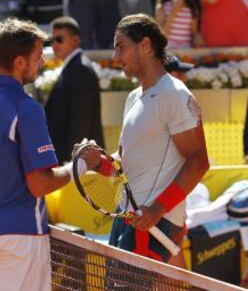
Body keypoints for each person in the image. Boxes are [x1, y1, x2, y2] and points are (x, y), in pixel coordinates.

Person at [0, 18, 90, 291]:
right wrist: (79, 167)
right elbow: (40, 184)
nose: (42, 64)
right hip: (20, 238)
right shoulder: (27, 108)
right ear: (19, 62)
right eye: (38, 57)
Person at [82, 14, 209, 264]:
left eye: (121, 46)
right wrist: (100, 163)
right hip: (130, 218)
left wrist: (157, 210)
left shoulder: (174, 94)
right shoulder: (133, 98)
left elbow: (199, 163)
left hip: (154, 223)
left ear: (146, 45)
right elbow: (125, 164)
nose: (115, 57)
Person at [45, 16, 105, 165]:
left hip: (76, 165)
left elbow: (80, 122)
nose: (54, 45)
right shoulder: (74, 67)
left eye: (59, 39)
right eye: (52, 40)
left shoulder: (81, 69)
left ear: (75, 40)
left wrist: (72, 163)